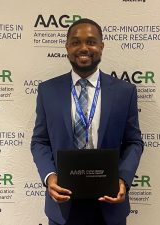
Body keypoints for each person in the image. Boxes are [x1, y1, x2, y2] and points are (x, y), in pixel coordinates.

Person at [31, 18, 144, 225]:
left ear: (101, 46)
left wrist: (123, 179)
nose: (84, 48)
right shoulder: (48, 91)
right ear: (67, 47)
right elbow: (40, 141)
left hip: (109, 204)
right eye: (75, 42)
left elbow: (134, 142)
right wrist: (49, 177)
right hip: (63, 204)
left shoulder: (124, 92)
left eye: (91, 42)